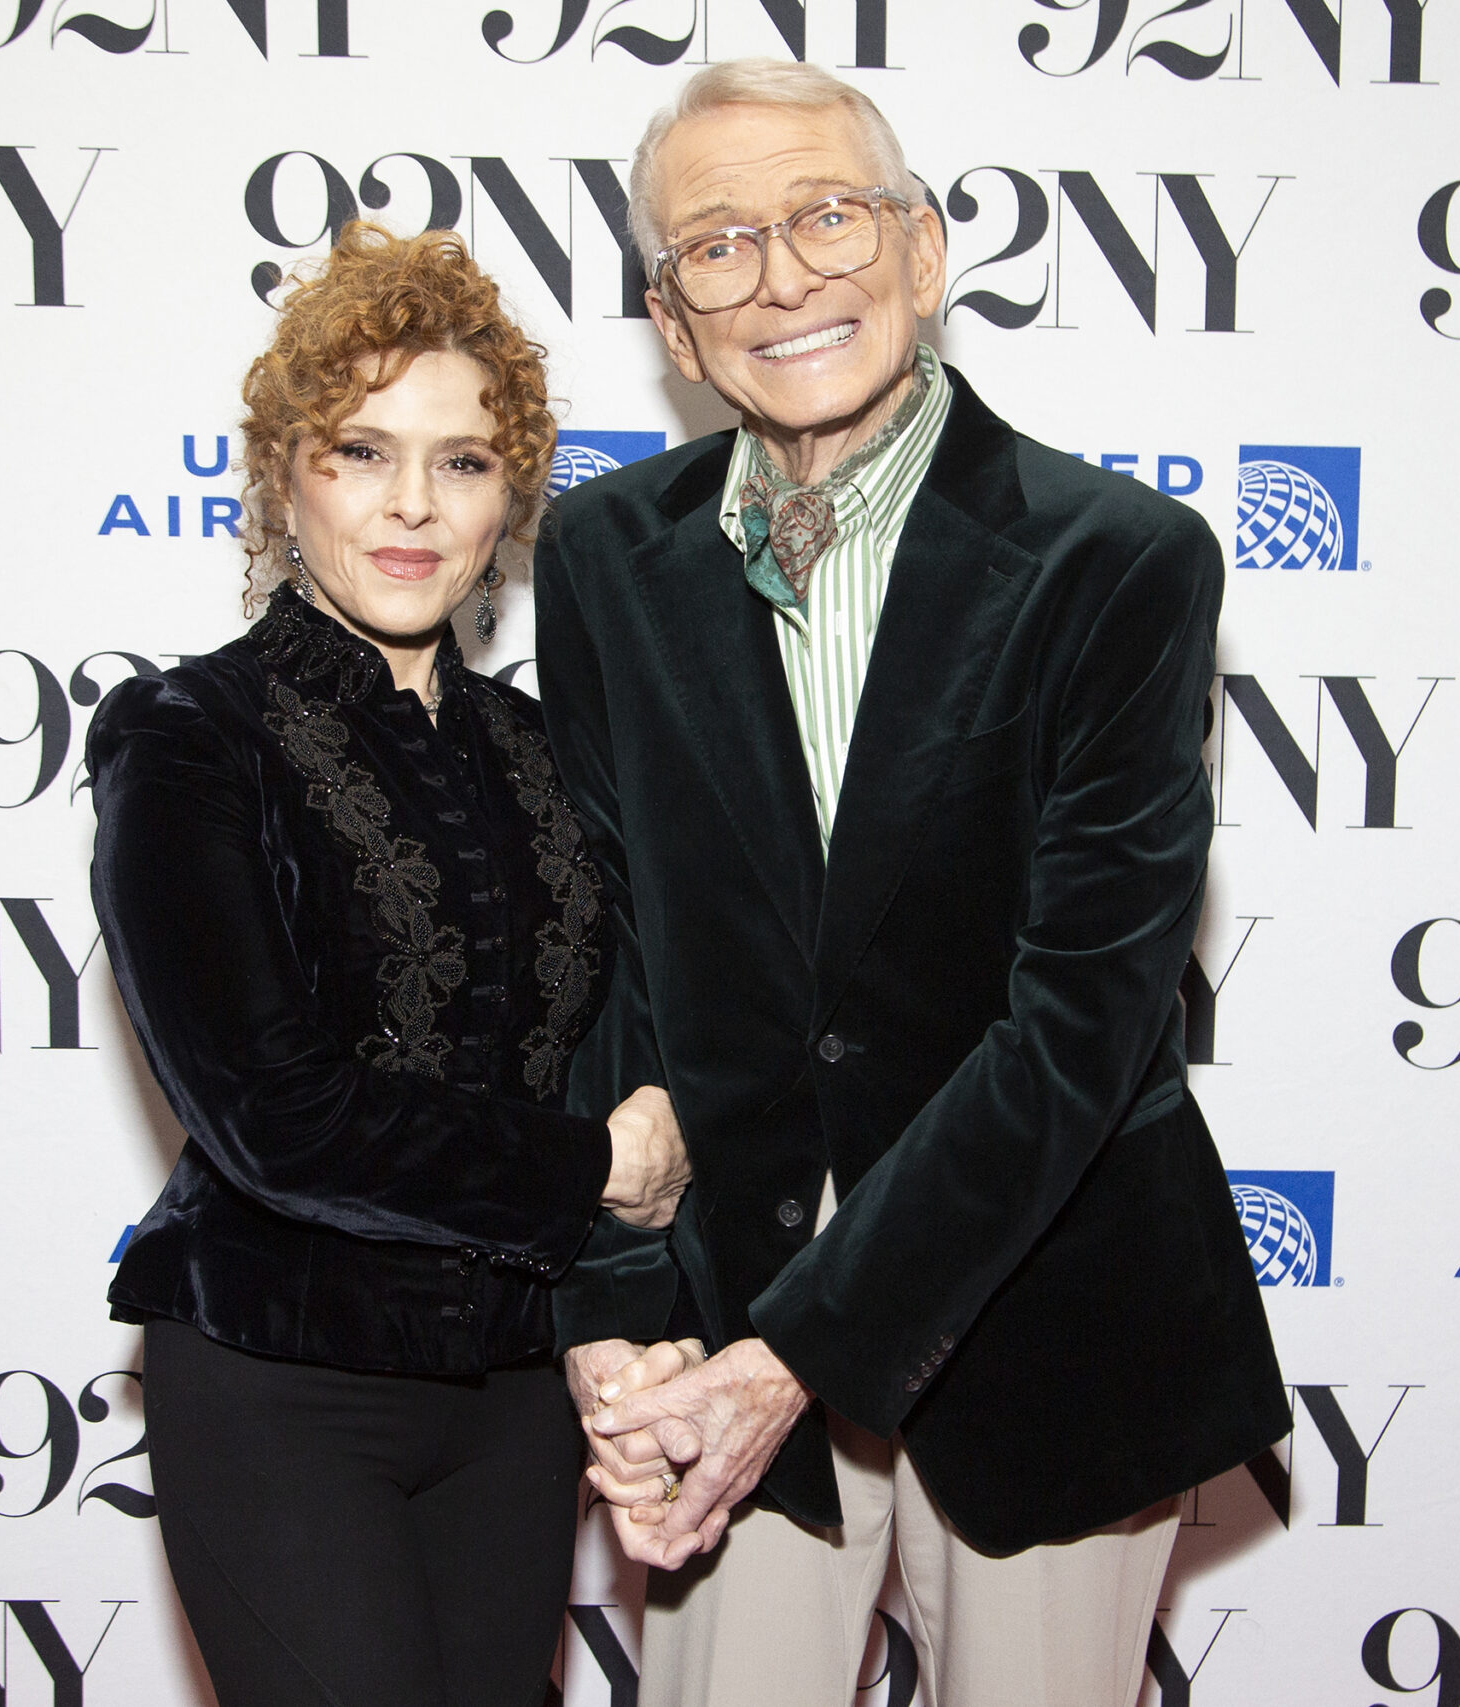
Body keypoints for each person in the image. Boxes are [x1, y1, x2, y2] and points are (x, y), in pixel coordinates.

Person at [534, 61, 1290, 1707]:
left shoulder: (1118, 560)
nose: (784, 274)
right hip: (717, 1312)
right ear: (673, 323)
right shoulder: (603, 559)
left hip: (1045, 1312)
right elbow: (601, 964)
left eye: (826, 215)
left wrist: (797, 1352)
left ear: (925, 253)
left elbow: (1082, 1019)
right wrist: (615, 1305)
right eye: (717, 245)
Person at [87, 222, 690, 1707]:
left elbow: (631, 1035)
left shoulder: (547, 754)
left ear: (514, 497)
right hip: (283, 1381)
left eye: (466, 462)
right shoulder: (189, 739)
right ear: (287, 476)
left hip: (510, 1399)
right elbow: (271, 1114)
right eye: (363, 451)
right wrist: (585, 1169)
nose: (413, 505)